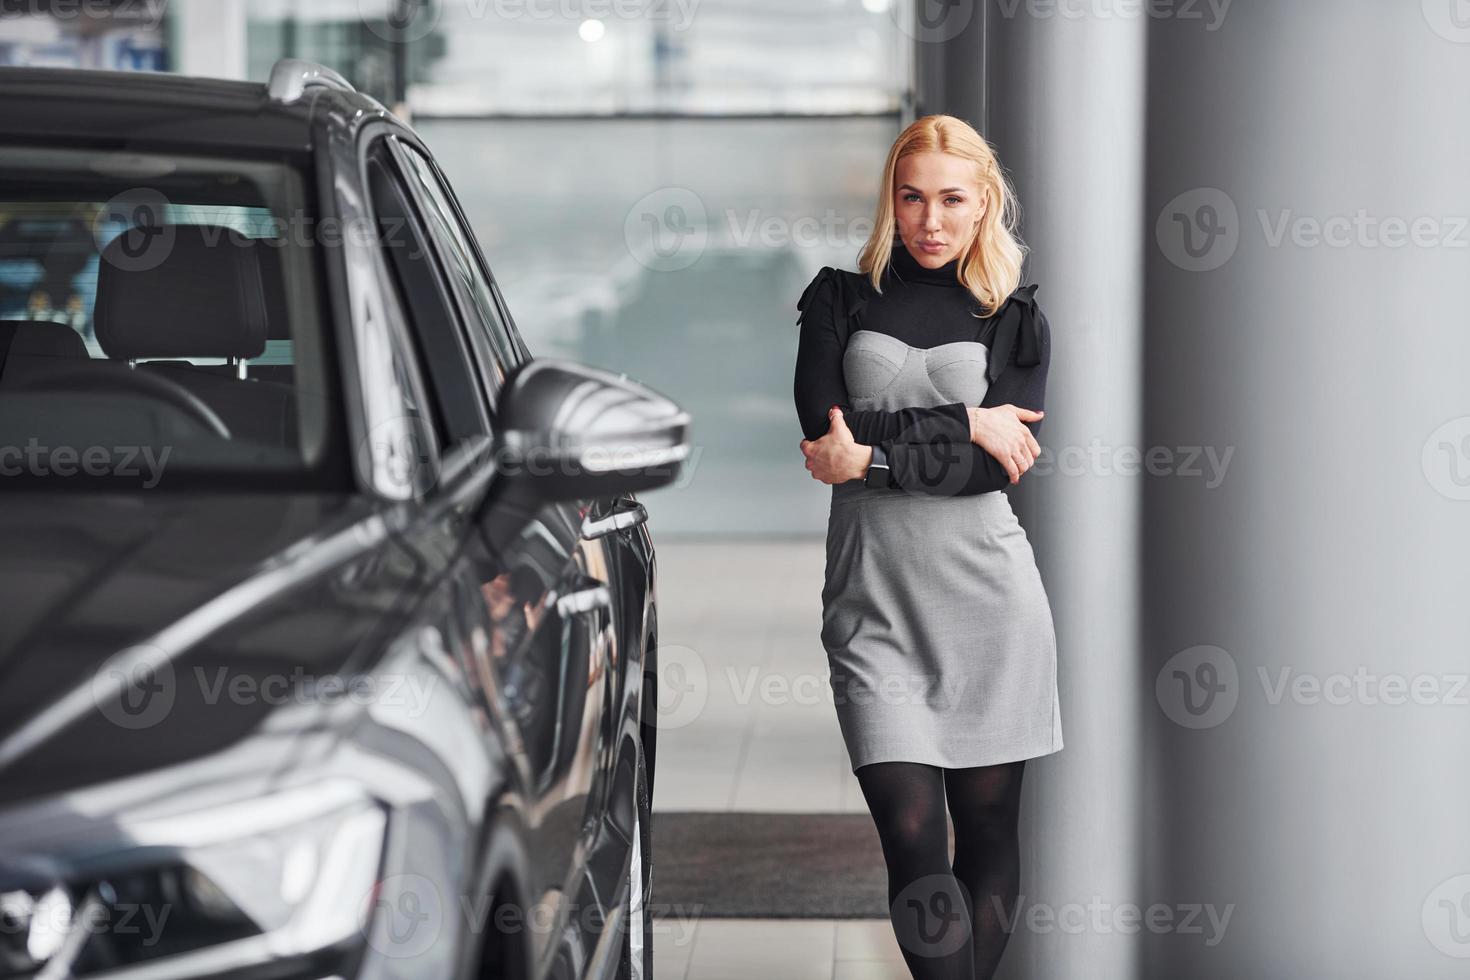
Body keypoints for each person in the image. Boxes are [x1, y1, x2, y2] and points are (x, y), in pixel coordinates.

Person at [793, 114, 1062, 980]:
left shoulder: (1013, 317)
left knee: (986, 835)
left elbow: (986, 475)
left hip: (990, 601)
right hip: (874, 603)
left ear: (984, 203)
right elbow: (819, 430)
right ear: (891, 202)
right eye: (912, 198)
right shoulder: (838, 297)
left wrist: (873, 453)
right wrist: (965, 422)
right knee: (912, 839)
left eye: (951, 199)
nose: (931, 220)